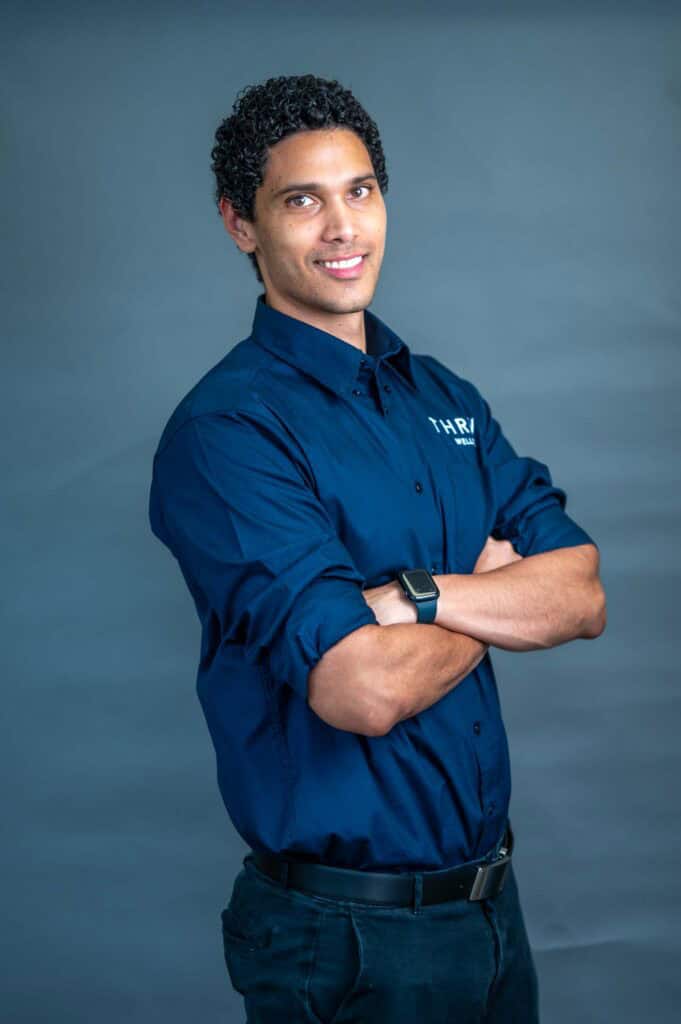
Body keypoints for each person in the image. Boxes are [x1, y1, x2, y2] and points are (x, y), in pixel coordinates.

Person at [148, 73, 606, 1023]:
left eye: (359, 191)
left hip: (491, 914)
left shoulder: (444, 397)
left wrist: (419, 599)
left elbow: (581, 593)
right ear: (242, 225)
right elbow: (362, 689)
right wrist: (488, 586)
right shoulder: (229, 431)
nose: (342, 228)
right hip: (343, 939)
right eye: (301, 200)